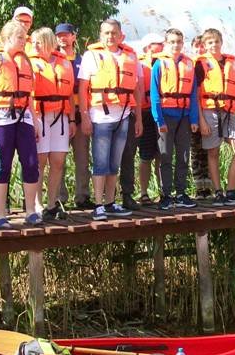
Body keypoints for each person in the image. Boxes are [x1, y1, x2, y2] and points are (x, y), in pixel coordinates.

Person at [0, 20, 42, 228]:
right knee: (3, 164)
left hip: (23, 116)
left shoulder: (26, 62)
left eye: (24, 37)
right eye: (19, 37)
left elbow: (29, 95)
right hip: (0, 117)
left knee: (31, 162)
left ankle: (30, 211)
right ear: (7, 38)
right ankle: (1, 214)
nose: (23, 41)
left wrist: (35, 120)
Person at [78, 19, 143, 220]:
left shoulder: (131, 56)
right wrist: (85, 117)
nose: (110, 36)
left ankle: (110, 202)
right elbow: (82, 89)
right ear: (100, 35)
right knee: (101, 162)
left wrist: (139, 118)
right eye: (106, 33)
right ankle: (98, 205)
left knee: (114, 163)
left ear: (121, 35)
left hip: (123, 115)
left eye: (114, 33)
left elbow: (137, 89)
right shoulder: (91, 56)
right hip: (100, 116)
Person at [196, 28, 235, 206]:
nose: (214, 45)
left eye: (216, 41)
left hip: (230, 110)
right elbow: (196, 95)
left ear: (221, 42)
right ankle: (218, 192)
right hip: (210, 109)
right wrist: (201, 120)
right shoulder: (200, 64)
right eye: (210, 42)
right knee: (213, 152)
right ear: (204, 45)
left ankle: (230, 190)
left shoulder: (232, 62)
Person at [28, 27, 75, 219]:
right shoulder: (30, 62)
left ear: (49, 43)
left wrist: (72, 119)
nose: (35, 46)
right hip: (39, 115)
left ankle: (52, 202)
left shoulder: (65, 62)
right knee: (40, 162)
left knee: (58, 161)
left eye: (39, 42)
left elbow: (70, 94)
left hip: (61, 117)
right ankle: (37, 203)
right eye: (34, 42)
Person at [151, 28, 199, 210]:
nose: (176, 45)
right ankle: (166, 195)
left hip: (184, 116)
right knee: (165, 157)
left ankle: (181, 193)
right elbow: (155, 94)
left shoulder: (189, 64)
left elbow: (193, 94)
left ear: (182, 43)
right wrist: (159, 120)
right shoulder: (159, 64)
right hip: (166, 116)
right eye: (172, 42)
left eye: (178, 42)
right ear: (166, 44)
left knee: (183, 156)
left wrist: (194, 119)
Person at [55, 23, 95, 209]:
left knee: (82, 157)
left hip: (80, 112)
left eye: (66, 35)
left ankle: (82, 196)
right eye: (59, 35)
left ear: (73, 37)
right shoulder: (53, 60)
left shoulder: (83, 60)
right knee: (58, 158)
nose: (63, 38)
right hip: (60, 114)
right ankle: (59, 198)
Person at [131, 33, 164, 205]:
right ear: (148, 47)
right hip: (144, 113)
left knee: (162, 154)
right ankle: (143, 193)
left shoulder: (166, 63)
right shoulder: (138, 63)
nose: (162, 46)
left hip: (162, 113)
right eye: (158, 43)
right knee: (146, 155)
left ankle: (164, 191)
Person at [189, 35, 214, 198]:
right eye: (196, 46)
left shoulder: (210, 65)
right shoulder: (189, 65)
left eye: (202, 46)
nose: (199, 49)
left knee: (209, 150)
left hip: (209, 111)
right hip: (193, 114)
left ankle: (209, 187)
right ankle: (199, 188)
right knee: (196, 151)